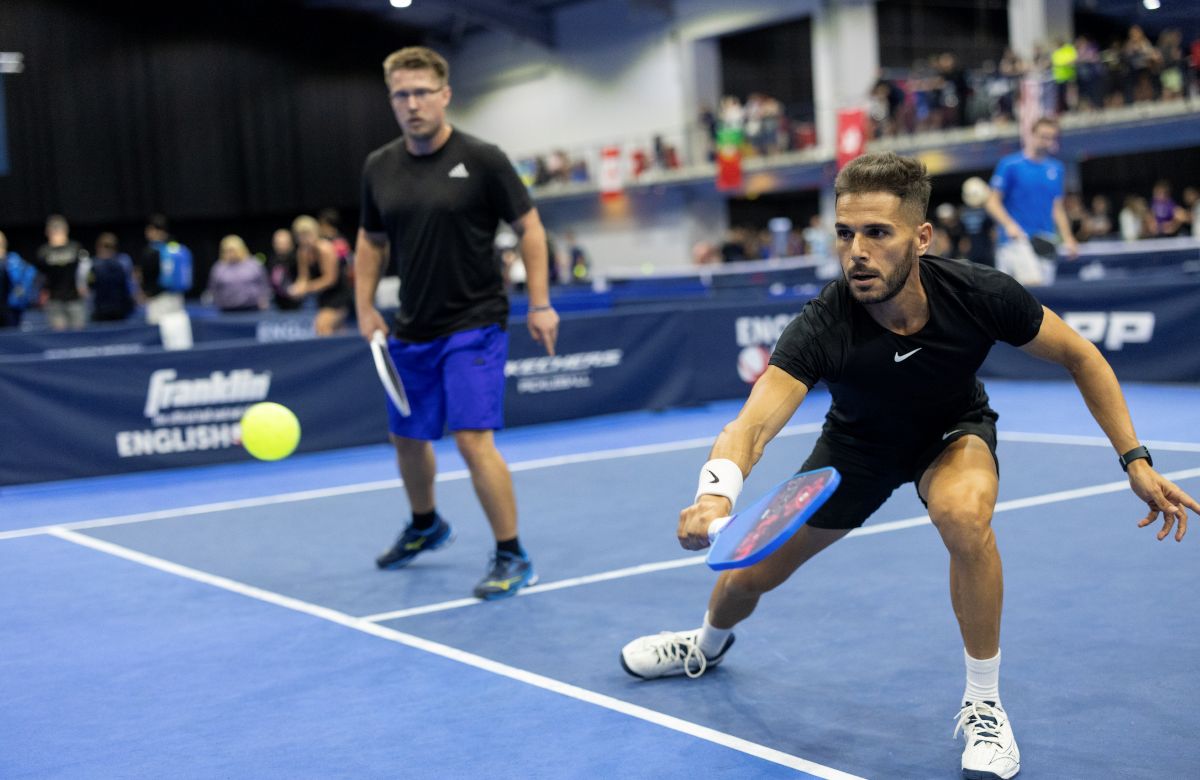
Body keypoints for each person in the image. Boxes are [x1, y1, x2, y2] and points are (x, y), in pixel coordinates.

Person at [619, 152, 1197, 780]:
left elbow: (1083, 358)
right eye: (845, 233)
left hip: (951, 435)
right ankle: (703, 644)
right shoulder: (822, 324)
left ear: (920, 238)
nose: (856, 252)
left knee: (963, 515)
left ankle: (983, 704)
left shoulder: (979, 294)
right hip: (854, 452)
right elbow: (752, 425)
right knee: (748, 578)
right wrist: (715, 496)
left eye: (877, 233)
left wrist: (1134, 459)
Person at [354, 46, 559, 600]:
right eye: (402, 94)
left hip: (475, 322)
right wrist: (365, 305)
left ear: (445, 95)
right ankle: (426, 524)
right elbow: (371, 243)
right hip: (411, 327)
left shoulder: (484, 158)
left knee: (471, 439)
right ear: (392, 100)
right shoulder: (380, 166)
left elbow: (531, 229)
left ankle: (512, 554)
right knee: (406, 437)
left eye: (423, 92)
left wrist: (540, 303)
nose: (413, 104)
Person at [985, 117, 1078, 286]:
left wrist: (1068, 238)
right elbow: (992, 202)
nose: (1046, 141)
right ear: (1032, 135)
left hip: (1046, 243)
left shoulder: (1056, 168)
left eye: (1051, 138)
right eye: (1043, 136)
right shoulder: (1010, 164)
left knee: (1043, 301)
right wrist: (1009, 225)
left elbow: (1057, 207)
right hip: (1016, 242)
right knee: (1028, 293)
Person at [290, 215, 351, 335]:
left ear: (315, 233)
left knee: (322, 325)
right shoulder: (302, 252)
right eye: (300, 236)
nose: (304, 239)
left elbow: (330, 279)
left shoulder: (325, 249)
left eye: (307, 234)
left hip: (339, 294)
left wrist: (306, 288)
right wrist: (296, 288)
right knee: (337, 330)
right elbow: (303, 278)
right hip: (323, 297)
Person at [33, 215, 89, 331]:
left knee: (79, 334)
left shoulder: (76, 248)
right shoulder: (44, 252)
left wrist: (83, 286)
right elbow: (40, 275)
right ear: (47, 232)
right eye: (53, 230)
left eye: (58, 229)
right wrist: (42, 293)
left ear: (65, 230)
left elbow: (85, 270)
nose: (56, 233)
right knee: (59, 336)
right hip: (54, 300)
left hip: (75, 298)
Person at [206, 235, 270, 312]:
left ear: (241, 249)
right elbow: (212, 288)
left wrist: (264, 299)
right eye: (227, 250)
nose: (230, 253)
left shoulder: (254, 265)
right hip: (226, 310)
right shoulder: (218, 268)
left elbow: (264, 284)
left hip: (252, 309)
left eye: (233, 250)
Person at [87, 232, 136, 322]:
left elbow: (129, 283)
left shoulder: (123, 261)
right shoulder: (94, 264)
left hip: (116, 309)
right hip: (107, 310)